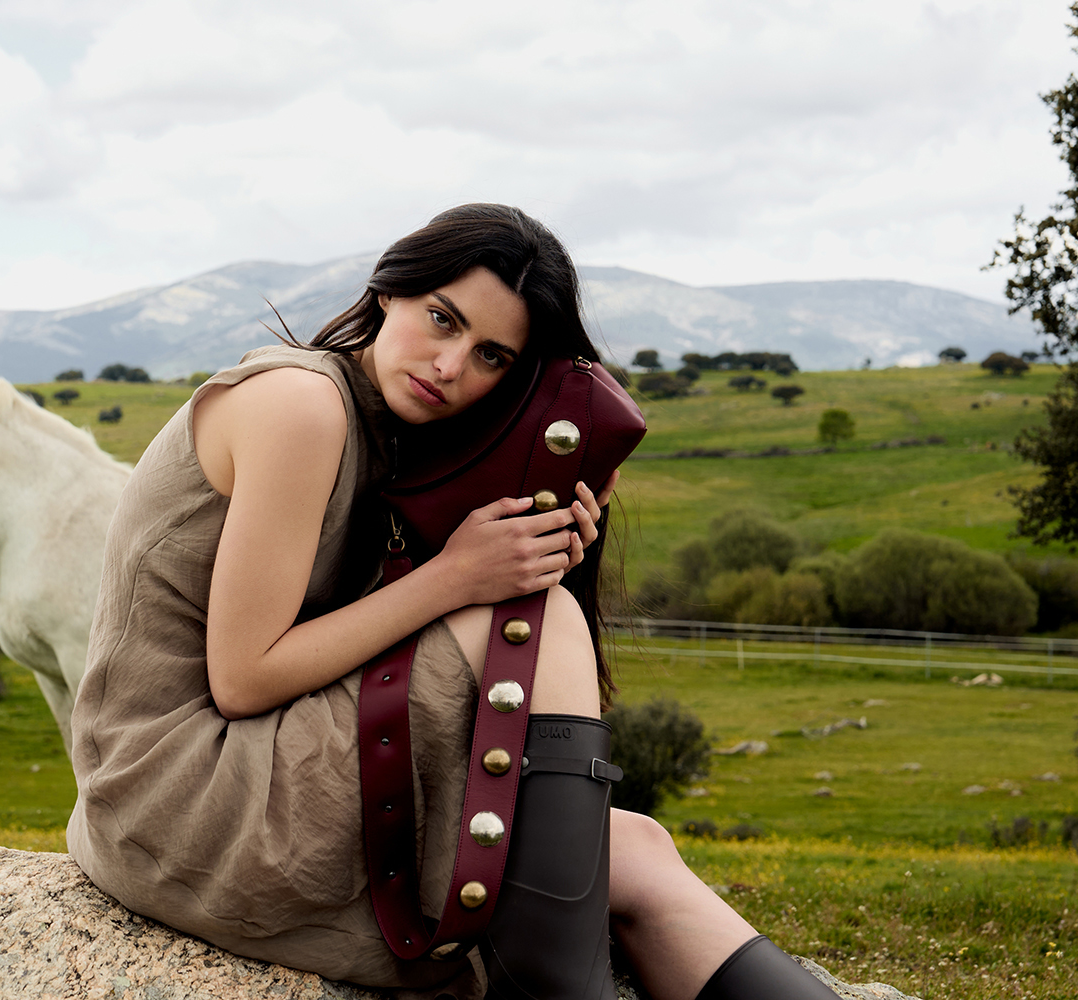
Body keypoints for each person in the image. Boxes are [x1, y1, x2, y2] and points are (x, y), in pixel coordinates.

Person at [67, 204, 838, 1000]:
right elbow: (243, 678)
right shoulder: (302, 405)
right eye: (443, 319)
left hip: (252, 760)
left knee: (637, 850)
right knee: (541, 622)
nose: (450, 365)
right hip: (182, 791)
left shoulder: (387, 430)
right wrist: (458, 577)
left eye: (491, 356)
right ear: (390, 289)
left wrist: (530, 542)